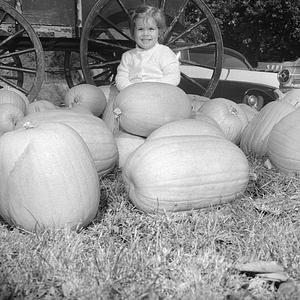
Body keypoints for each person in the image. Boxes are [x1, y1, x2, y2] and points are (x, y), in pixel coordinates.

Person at [115, 5, 181, 91]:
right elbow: (121, 77)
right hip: (133, 94)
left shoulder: (164, 52)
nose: (146, 33)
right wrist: (129, 89)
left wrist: (154, 88)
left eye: (151, 29)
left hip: (160, 93)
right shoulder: (127, 56)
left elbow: (173, 76)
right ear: (133, 32)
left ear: (159, 32)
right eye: (140, 29)